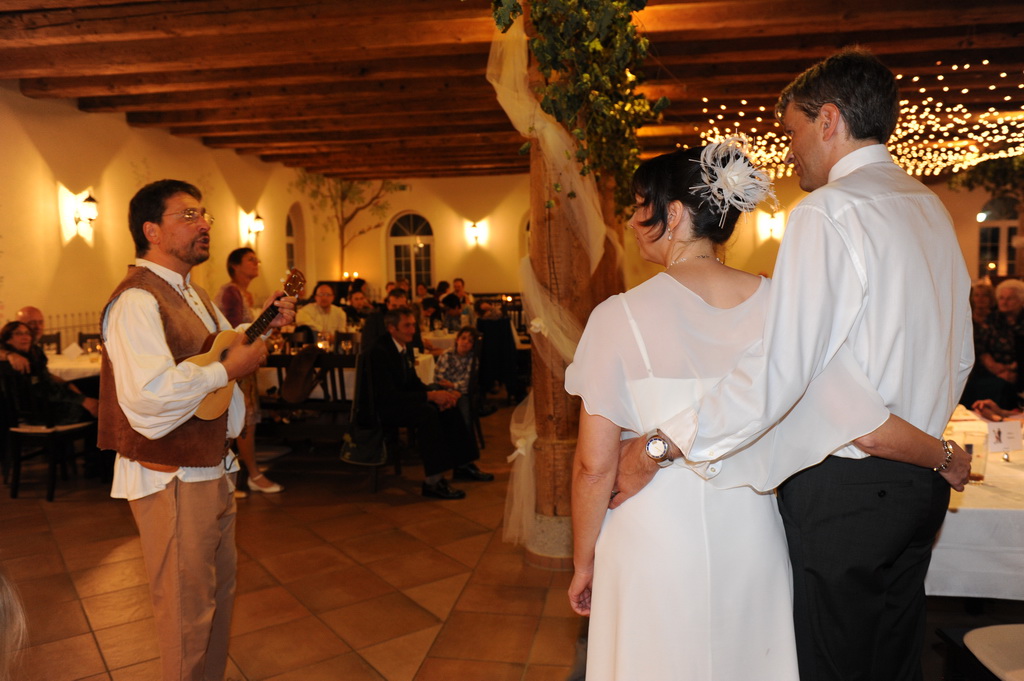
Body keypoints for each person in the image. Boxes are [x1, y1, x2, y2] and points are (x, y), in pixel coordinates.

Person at [613, 50, 972, 681]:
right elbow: (959, 351)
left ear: (828, 120)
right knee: (893, 663)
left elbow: (785, 372)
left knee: (831, 667)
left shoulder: (829, 211)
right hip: (920, 485)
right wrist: (933, 449)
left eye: (793, 131)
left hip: (847, 492)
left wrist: (662, 445)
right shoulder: (929, 206)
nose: (790, 150)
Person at [98, 179, 295, 681]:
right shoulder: (137, 301)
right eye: (188, 216)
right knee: (186, 613)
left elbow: (217, 356)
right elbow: (149, 397)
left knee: (216, 599)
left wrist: (265, 328)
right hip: (172, 477)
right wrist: (229, 370)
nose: (204, 224)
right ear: (151, 231)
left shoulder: (194, 294)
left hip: (210, 466)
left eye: (204, 215)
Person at [368, 307, 493, 499]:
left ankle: (462, 465)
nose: (412, 330)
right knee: (428, 413)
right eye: (407, 326)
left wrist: (440, 394)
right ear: (392, 328)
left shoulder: (403, 347)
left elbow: (413, 384)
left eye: (413, 325)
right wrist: (431, 397)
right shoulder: (380, 351)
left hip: (402, 401)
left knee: (449, 405)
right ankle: (433, 482)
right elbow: (389, 396)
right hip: (385, 408)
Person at [214, 247, 283, 497]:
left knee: (244, 422)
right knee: (240, 422)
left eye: (257, 259)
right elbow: (232, 334)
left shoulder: (244, 294)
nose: (257, 263)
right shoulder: (230, 291)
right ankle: (249, 475)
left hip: (245, 367)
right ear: (235, 266)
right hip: (234, 366)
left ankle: (237, 476)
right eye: (251, 260)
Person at [0, 320, 97, 423]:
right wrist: (82, 400)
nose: (25, 337)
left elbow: (47, 380)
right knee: (98, 409)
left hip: (47, 399)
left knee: (96, 383)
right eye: (18, 333)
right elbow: (42, 389)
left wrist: (68, 385)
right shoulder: (16, 363)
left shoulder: (34, 353)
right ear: (8, 340)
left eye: (27, 333)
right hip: (40, 410)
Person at [973, 278, 1024, 408]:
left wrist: (1013, 370)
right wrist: (996, 369)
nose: (1004, 302)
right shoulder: (992, 319)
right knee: (994, 385)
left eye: (1009, 299)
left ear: (1021, 301)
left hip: (1019, 372)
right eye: (1001, 298)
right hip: (991, 372)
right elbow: (981, 348)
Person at [434, 326, 479, 428]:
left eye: (470, 341)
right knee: (438, 413)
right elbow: (439, 378)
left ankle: (464, 441)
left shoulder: (473, 360)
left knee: (464, 418)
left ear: (473, 346)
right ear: (457, 339)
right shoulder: (447, 355)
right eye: (463, 338)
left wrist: (455, 387)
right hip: (445, 391)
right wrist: (451, 391)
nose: (466, 342)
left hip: (463, 393)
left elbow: (468, 382)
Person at [0, 306, 45, 373]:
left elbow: (44, 375)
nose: (38, 327)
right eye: (32, 323)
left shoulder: (36, 350)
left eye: (40, 322)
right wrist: (10, 355)